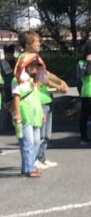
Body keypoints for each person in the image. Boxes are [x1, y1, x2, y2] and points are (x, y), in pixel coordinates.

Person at [15, 30, 68, 169]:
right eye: (37, 41)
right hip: (34, 102)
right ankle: (33, 162)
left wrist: (60, 82)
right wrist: (57, 85)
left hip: (44, 98)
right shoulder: (25, 60)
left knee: (45, 135)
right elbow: (37, 79)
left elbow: (44, 74)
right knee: (36, 135)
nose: (39, 43)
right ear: (28, 44)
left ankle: (41, 158)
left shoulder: (35, 58)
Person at [11, 57, 46, 177]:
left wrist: (42, 113)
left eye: (36, 65)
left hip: (35, 115)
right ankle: (29, 169)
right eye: (32, 65)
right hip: (24, 114)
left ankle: (28, 167)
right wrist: (17, 114)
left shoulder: (32, 81)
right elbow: (16, 97)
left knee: (36, 141)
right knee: (28, 142)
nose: (34, 67)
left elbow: (37, 98)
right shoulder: (17, 80)